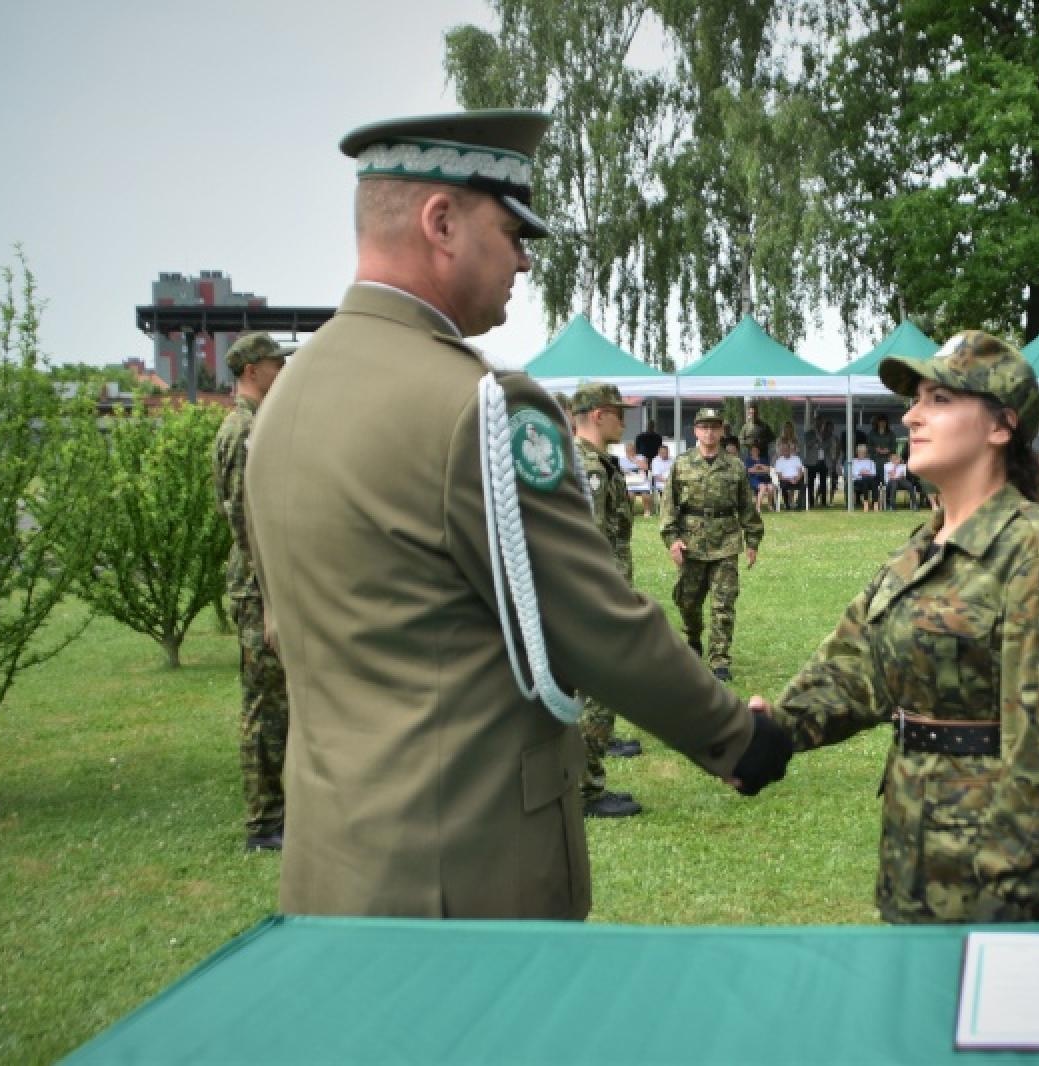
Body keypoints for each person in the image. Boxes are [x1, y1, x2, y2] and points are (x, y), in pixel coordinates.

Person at [244, 109, 790, 920]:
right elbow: (594, 620)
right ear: (442, 222)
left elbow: (292, 633)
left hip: (334, 859)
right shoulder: (479, 408)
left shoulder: (289, 394)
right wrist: (737, 739)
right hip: (466, 869)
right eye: (512, 231)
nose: (526, 260)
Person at [770, 331, 1039, 924]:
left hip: (992, 891)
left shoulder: (1038, 559)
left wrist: (999, 892)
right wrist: (767, 734)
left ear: (1000, 427)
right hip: (913, 865)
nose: (911, 416)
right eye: (916, 401)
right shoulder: (925, 546)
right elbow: (856, 666)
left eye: (939, 400)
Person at [212, 332, 291, 853]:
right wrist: (268, 602)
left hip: (264, 585)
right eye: (273, 362)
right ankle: (264, 824)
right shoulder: (243, 429)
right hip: (257, 589)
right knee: (263, 705)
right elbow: (247, 520)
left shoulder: (255, 423)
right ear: (250, 370)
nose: (280, 368)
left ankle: (279, 812)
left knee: (276, 703)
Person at [567, 383, 646, 820]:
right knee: (600, 688)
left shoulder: (591, 461)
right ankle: (586, 789)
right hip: (597, 593)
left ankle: (586, 775)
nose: (624, 419)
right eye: (618, 412)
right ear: (597, 415)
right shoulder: (589, 468)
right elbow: (593, 539)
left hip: (598, 590)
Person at [660, 408, 764, 681]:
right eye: (703, 427)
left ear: (721, 431)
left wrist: (752, 540)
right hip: (691, 543)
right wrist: (672, 540)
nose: (709, 432)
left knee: (723, 604)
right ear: (695, 431)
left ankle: (719, 660)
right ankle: (693, 637)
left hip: (726, 542)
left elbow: (746, 506)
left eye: (714, 427)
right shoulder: (681, 464)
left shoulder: (734, 465)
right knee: (687, 601)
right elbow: (668, 506)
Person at [802, 420, 834, 507]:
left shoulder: (826, 434)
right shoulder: (808, 434)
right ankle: (811, 502)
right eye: (817, 423)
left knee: (824, 482)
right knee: (810, 482)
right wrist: (816, 438)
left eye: (821, 424)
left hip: (823, 461)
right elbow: (808, 445)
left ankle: (823, 502)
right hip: (811, 462)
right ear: (814, 424)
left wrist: (818, 442)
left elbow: (826, 445)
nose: (819, 425)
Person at [772, 440, 807, 510]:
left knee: (804, 486)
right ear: (781, 450)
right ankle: (787, 505)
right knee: (783, 486)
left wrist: (797, 478)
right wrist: (789, 479)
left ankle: (798, 505)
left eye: (786, 449)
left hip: (797, 478)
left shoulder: (796, 458)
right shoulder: (779, 461)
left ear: (790, 450)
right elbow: (779, 476)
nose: (785, 451)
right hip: (785, 480)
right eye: (783, 449)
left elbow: (801, 471)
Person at [744, 442, 775, 512]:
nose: (755, 452)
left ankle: (770, 505)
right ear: (751, 452)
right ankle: (758, 507)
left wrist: (760, 466)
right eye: (753, 450)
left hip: (765, 478)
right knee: (763, 487)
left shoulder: (763, 459)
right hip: (754, 479)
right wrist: (760, 469)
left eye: (756, 450)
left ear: (759, 451)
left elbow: (768, 469)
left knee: (771, 488)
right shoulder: (748, 460)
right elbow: (749, 470)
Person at [850, 443, 881, 510]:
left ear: (866, 452)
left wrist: (867, 473)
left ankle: (875, 503)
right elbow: (853, 473)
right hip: (858, 480)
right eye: (860, 452)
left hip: (870, 479)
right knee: (865, 479)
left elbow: (874, 473)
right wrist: (861, 472)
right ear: (857, 452)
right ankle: (866, 502)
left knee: (873, 481)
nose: (862, 454)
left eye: (863, 452)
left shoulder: (870, 461)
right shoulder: (853, 461)